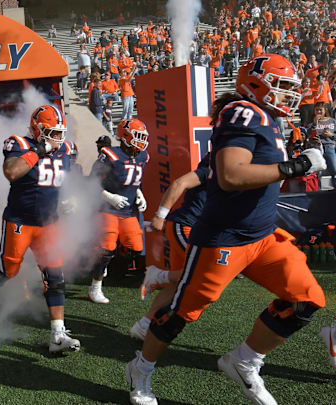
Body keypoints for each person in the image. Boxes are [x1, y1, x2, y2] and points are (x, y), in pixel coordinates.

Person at [126, 55, 328, 405]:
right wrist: (293, 166)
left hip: (263, 237)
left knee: (305, 299)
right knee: (179, 314)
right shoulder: (243, 112)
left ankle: (245, 361)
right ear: (255, 84)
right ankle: (140, 368)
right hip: (224, 239)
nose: (288, 95)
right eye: (281, 87)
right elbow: (231, 175)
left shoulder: (268, 119)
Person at [0, 105, 80, 354]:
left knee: (55, 277)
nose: (58, 139)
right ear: (37, 129)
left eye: (60, 133)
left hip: (49, 224)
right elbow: (12, 172)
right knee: (8, 271)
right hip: (20, 222)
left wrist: (69, 198)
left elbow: (64, 178)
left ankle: (57, 334)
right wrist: (38, 150)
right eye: (52, 133)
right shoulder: (19, 144)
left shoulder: (65, 150)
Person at [130, 153, 210, 340]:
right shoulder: (212, 169)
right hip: (186, 226)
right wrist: (160, 215)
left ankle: (143, 326)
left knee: (177, 283)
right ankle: (158, 275)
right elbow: (178, 183)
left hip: (195, 229)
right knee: (204, 271)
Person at [88, 119, 149, 304]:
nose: (141, 141)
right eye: (137, 136)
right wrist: (109, 196)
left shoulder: (142, 156)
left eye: (142, 137)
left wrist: (138, 193)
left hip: (128, 209)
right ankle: (95, 287)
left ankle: (101, 261)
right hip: (107, 208)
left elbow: (132, 179)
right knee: (107, 248)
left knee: (135, 247)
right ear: (124, 136)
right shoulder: (109, 155)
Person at [308, 102, 336, 175]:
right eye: (316, 110)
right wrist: (314, 123)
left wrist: (331, 135)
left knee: (334, 169)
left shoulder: (332, 121)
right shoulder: (311, 122)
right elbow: (308, 135)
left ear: (325, 110)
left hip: (329, 147)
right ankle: (318, 186)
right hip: (316, 148)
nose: (318, 112)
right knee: (318, 172)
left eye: (320, 110)